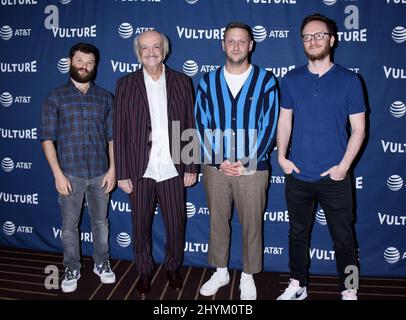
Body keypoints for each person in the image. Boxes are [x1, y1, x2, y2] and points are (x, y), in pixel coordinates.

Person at [276, 13, 366, 300]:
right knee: (297, 234)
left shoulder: (350, 80)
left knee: (344, 239)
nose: (313, 40)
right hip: (298, 174)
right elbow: (285, 121)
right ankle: (297, 284)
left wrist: (342, 168)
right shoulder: (291, 79)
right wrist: (281, 158)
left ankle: (349, 289)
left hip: (334, 176)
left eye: (319, 35)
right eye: (307, 36)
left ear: (332, 39)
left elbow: (359, 128)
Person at [195, 22, 279, 300]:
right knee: (218, 220)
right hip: (216, 167)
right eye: (231, 41)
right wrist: (219, 160)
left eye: (242, 41)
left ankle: (247, 274)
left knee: (252, 222)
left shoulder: (266, 80)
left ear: (251, 45)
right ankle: (220, 271)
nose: (236, 46)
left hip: (253, 169)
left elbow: (270, 125)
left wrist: (247, 161)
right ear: (222, 44)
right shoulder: (207, 81)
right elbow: (200, 122)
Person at [113, 30, 197, 296]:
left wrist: (191, 165)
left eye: (156, 46)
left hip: (173, 168)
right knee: (140, 226)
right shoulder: (125, 84)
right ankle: (144, 270)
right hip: (140, 169)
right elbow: (120, 130)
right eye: (145, 47)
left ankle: (173, 266)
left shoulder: (182, 81)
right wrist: (122, 172)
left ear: (165, 49)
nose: (151, 52)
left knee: (176, 223)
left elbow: (189, 125)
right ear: (138, 51)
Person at [41, 42, 116, 293]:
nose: (84, 65)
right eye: (79, 60)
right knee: (69, 226)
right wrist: (57, 175)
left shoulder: (105, 97)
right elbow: (47, 138)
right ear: (70, 62)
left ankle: (101, 263)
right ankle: (71, 267)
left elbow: (112, 138)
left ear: (95, 66)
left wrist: (114, 169)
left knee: (101, 223)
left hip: (100, 172)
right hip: (69, 174)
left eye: (89, 62)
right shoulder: (55, 97)